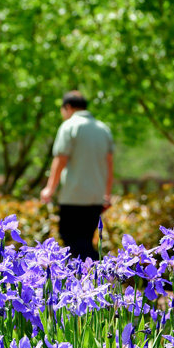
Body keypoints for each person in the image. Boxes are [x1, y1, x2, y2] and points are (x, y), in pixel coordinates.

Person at [41, 91, 114, 261]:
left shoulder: (69, 126)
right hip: (95, 198)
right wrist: (107, 195)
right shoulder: (103, 129)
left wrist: (49, 189)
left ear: (67, 107)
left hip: (73, 197)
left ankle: (104, 271)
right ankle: (94, 279)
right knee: (85, 241)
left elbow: (60, 160)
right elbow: (109, 165)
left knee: (71, 240)